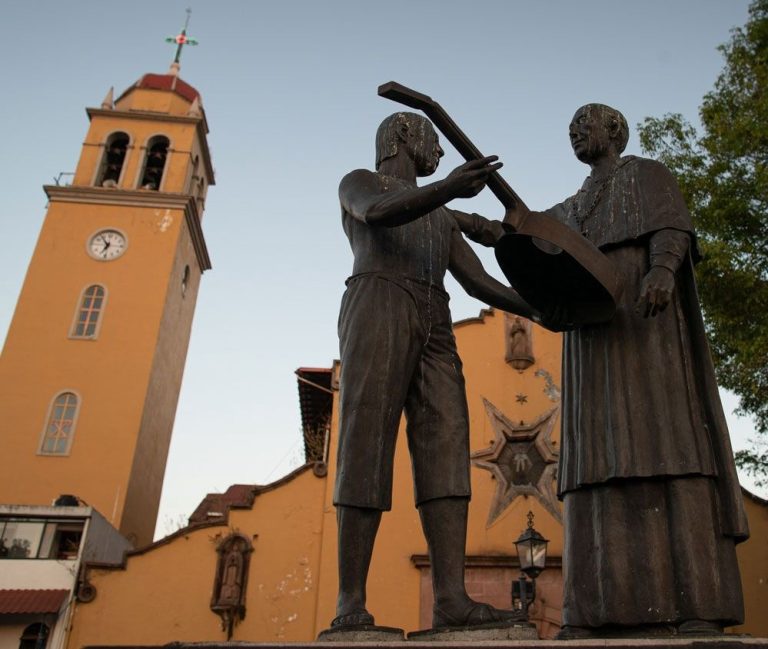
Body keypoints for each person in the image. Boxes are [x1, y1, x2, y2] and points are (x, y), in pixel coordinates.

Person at [456, 104, 749, 638]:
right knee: (595, 461)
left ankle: (696, 604)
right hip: (593, 344)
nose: (574, 133)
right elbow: (522, 235)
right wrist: (457, 217)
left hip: (645, 323)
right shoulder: (574, 207)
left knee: (669, 446)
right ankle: (593, 610)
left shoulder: (647, 176)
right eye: (568, 128)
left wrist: (662, 269)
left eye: (582, 124)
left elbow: (670, 227)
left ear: (614, 131)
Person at [333, 111, 535, 630]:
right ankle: (349, 602)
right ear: (403, 136)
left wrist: (545, 309)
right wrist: (446, 189)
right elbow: (378, 213)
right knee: (367, 441)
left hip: (436, 318)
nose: (441, 154)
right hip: (380, 299)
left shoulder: (440, 214)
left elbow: (481, 284)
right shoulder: (360, 182)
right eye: (434, 144)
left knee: (447, 445)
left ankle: (451, 598)